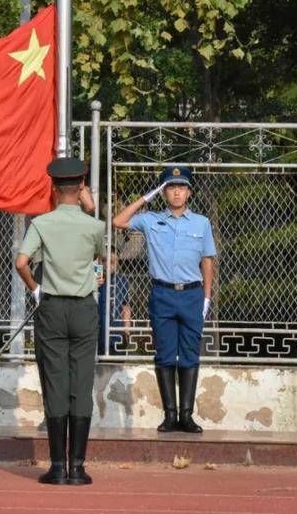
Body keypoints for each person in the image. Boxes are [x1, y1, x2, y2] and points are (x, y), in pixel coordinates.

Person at [15, 157, 104, 485]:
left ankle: (56, 467)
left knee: (55, 382)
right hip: (83, 310)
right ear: (80, 187)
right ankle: (77, 468)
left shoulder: (42, 223)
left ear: (53, 188)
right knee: (80, 384)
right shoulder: (95, 226)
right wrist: (91, 210)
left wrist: (37, 290)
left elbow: (22, 261)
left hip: (51, 309)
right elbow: (97, 258)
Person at [112, 166, 216, 434]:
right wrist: (147, 196)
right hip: (162, 294)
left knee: (190, 354)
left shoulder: (201, 223)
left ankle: (187, 415)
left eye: (181, 187)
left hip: (192, 294)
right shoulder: (150, 219)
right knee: (165, 354)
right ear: (163, 192)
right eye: (170, 187)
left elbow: (207, 261)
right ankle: (170, 415)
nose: (177, 191)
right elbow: (118, 221)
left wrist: (206, 297)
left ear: (189, 192)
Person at [96, 250, 133, 356]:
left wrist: (127, 330)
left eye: (112, 262)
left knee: (116, 367)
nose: (107, 265)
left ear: (117, 264)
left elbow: (125, 306)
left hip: (116, 333)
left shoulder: (122, 280)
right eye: (104, 261)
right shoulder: (97, 276)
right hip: (97, 332)